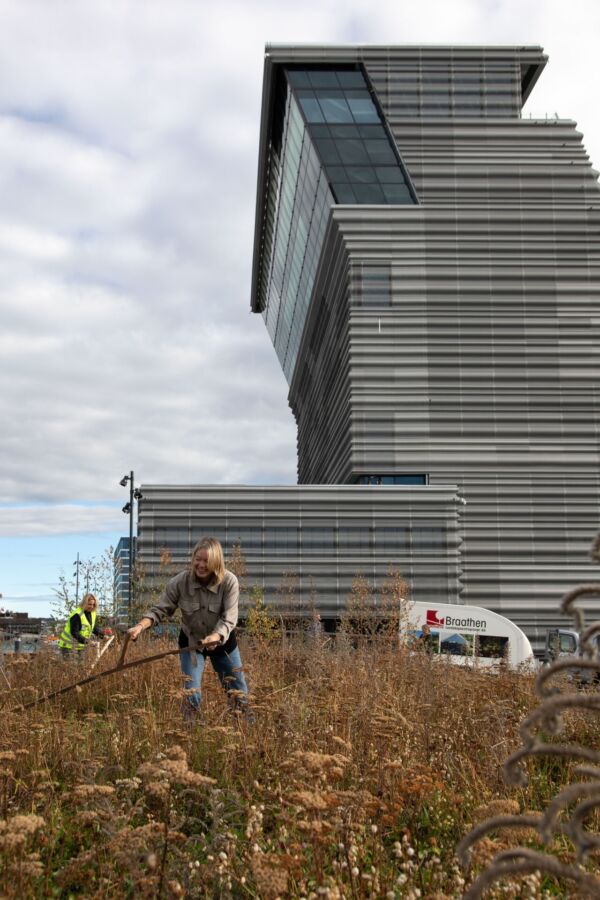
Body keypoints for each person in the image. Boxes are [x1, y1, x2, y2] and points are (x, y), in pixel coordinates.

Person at [128, 537, 250, 717]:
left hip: (222, 642)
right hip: (192, 643)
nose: (201, 565)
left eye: (206, 561)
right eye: (197, 559)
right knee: (191, 694)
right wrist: (140, 626)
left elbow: (230, 618)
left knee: (238, 692)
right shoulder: (179, 582)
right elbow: (160, 610)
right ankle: (191, 729)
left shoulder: (229, 581)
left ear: (216, 561)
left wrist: (215, 636)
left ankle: (245, 725)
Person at [58, 593, 108, 657]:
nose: (91, 606)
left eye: (93, 604)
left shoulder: (92, 613)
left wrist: (103, 636)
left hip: (80, 646)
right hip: (68, 646)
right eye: (89, 604)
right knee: (71, 663)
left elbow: (93, 627)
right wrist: (88, 642)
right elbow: (74, 633)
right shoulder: (77, 614)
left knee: (81, 663)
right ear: (84, 603)